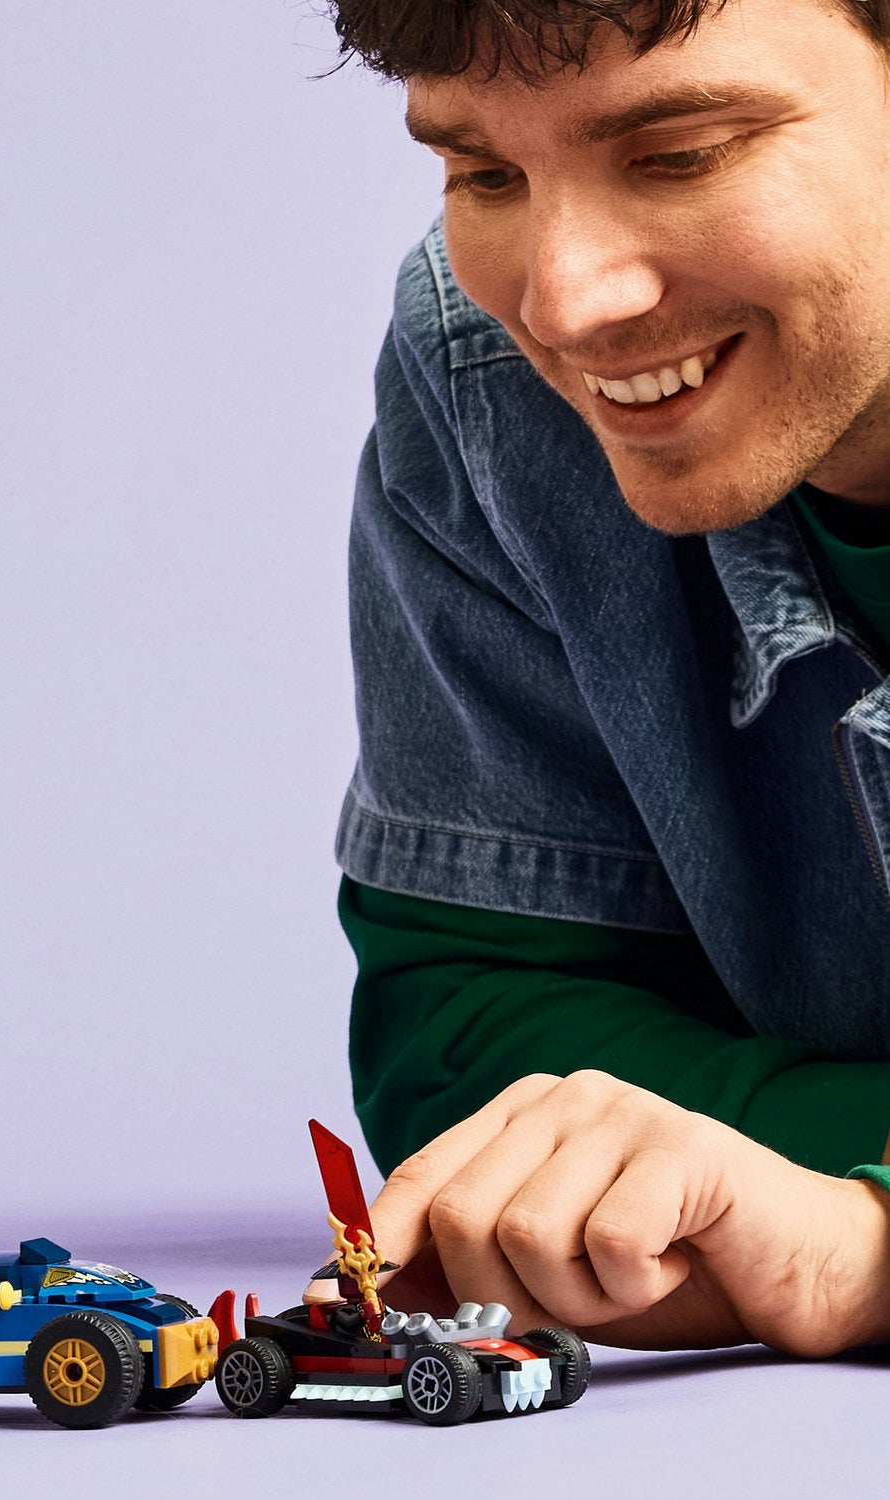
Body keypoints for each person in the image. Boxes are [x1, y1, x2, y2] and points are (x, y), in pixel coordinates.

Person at [326, 0, 890, 1354]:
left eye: (682, 154)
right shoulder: (483, 378)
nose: (565, 304)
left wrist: (855, 1243)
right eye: (484, 173)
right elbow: (471, 1029)